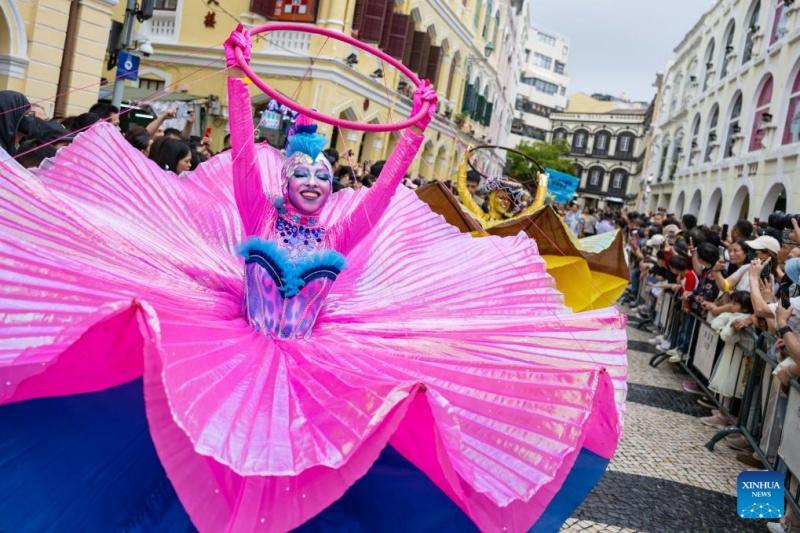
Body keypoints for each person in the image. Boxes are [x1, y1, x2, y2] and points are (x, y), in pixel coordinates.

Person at [0, 25, 627, 532]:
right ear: (285, 180)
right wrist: (238, 78)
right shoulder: (256, 208)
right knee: (206, 455)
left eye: (324, 175)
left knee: (308, 469)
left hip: (314, 365)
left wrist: (410, 136)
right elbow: (244, 149)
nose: (315, 179)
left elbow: (380, 197)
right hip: (232, 352)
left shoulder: (338, 235)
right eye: (304, 170)